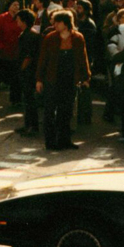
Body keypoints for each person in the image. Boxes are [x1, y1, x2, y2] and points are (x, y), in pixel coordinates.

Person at [37, 11, 91, 150]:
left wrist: (86, 77)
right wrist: (39, 79)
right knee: (50, 110)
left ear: (66, 23)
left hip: (69, 78)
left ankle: (64, 140)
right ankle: (50, 141)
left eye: (58, 22)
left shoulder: (78, 38)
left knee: (66, 111)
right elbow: (43, 59)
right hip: (52, 78)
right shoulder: (50, 38)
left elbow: (82, 58)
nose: (54, 24)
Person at [15, 9, 42, 136]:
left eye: (19, 20)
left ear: (24, 21)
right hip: (27, 71)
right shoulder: (27, 33)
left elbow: (29, 56)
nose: (17, 22)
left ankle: (32, 126)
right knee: (27, 99)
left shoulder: (30, 35)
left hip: (29, 72)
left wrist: (21, 69)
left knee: (30, 100)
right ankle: (28, 125)